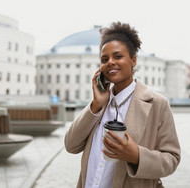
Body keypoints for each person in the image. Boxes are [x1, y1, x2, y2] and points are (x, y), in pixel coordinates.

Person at [65, 22, 181, 188]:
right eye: (104, 59)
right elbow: (71, 145)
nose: (110, 62)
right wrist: (96, 105)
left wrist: (136, 155)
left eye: (118, 56)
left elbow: (172, 159)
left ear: (133, 60)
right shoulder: (100, 104)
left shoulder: (157, 104)